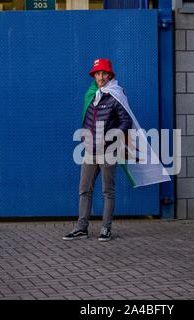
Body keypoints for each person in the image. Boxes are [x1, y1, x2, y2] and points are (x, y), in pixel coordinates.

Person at [63, 58, 132, 242]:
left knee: (107, 192)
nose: (100, 77)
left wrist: (112, 136)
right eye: (97, 73)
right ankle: (81, 228)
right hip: (90, 151)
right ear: (94, 76)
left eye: (103, 73)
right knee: (84, 189)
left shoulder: (116, 95)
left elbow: (127, 121)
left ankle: (106, 229)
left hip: (108, 151)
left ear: (110, 75)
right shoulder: (91, 94)